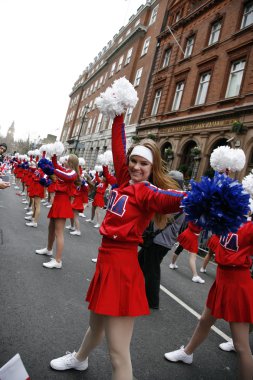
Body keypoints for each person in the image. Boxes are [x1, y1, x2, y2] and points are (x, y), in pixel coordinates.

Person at [49, 114, 186, 379]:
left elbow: (176, 200)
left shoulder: (147, 192)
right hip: (106, 263)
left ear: (152, 167)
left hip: (122, 272)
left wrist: (206, 197)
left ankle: (85, 361)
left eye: (143, 163)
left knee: (118, 354)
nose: (136, 167)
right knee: (96, 323)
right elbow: (118, 147)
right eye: (133, 161)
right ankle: (79, 359)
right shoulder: (125, 182)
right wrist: (118, 115)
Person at [164, 220, 253, 380]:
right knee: (205, 320)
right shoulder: (228, 220)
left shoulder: (250, 227)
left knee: (241, 346)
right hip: (222, 278)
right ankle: (187, 353)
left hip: (238, 282)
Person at [138, 170, 185, 309]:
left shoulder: (177, 200)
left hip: (160, 240)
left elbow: (159, 212)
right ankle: (133, 289)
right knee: (139, 263)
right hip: (160, 239)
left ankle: (152, 301)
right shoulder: (178, 198)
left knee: (152, 271)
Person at [35, 154, 79, 269]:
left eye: (67, 159)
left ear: (71, 161)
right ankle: (49, 249)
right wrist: (54, 155)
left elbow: (65, 176)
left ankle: (58, 260)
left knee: (59, 232)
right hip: (58, 201)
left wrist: (53, 169)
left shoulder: (73, 173)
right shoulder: (66, 170)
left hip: (63, 202)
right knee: (51, 228)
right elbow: (56, 167)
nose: (65, 160)